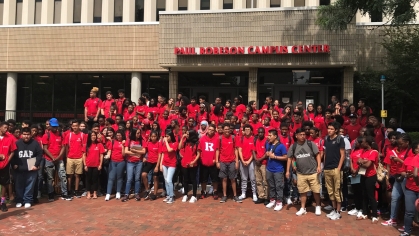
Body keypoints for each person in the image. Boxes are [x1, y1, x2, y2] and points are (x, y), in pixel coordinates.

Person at [286, 128, 322, 216]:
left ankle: (318, 206)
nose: (302, 136)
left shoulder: (310, 144)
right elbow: (290, 158)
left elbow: (318, 154)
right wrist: (287, 171)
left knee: (316, 191)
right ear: (296, 135)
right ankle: (303, 208)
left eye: (304, 135)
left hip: (313, 172)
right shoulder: (293, 146)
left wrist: (318, 166)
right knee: (302, 191)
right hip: (301, 173)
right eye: (300, 135)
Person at [381, 133, 413, 227]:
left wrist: (398, 160)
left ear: (407, 142)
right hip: (397, 177)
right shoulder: (394, 151)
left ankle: (407, 223)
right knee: (394, 198)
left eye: (401, 143)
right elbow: (387, 166)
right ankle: (393, 219)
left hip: (406, 178)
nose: (399, 145)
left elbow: (411, 165)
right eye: (398, 144)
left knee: (407, 200)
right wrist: (387, 179)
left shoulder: (410, 151)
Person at [12, 127, 41, 208]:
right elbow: (12, 154)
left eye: (28, 134)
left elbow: (39, 154)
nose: (26, 136)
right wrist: (14, 163)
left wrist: (36, 164)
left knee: (30, 186)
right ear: (21, 135)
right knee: (18, 185)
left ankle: (28, 200)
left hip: (31, 168)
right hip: (19, 169)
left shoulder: (35, 143)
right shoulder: (17, 143)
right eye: (24, 134)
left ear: (30, 135)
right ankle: (19, 200)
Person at [42, 118, 70, 201]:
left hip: (59, 159)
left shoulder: (61, 134)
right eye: (53, 126)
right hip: (49, 159)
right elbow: (45, 148)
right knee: (50, 178)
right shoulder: (46, 135)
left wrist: (58, 157)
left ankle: (64, 193)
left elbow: (63, 147)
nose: (55, 128)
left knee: (63, 176)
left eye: (56, 126)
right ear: (49, 126)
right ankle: (50, 194)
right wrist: (52, 157)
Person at [323, 121, 345, 220]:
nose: (329, 130)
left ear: (336, 130)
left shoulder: (340, 139)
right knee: (330, 191)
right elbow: (325, 153)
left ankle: (338, 212)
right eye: (328, 128)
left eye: (332, 129)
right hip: (327, 168)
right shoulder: (326, 139)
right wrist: (324, 165)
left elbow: (343, 155)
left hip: (336, 168)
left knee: (337, 191)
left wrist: (339, 168)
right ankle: (334, 209)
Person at [355, 136, 379, 223]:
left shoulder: (373, 152)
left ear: (367, 143)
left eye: (363, 142)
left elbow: (368, 165)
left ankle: (374, 215)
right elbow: (358, 160)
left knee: (370, 196)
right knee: (364, 195)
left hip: (371, 176)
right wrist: (362, 161)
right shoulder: (364, 151)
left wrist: (362, 162)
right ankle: (364, 213)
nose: (361, 143)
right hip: (363, 175)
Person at [216, 123, 241, 203]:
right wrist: (217, 161)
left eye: (228, 129)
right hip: (223, 161)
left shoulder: (233, 138)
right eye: (225, 129)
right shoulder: (219, 138)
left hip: (232, 161)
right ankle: (224, 195)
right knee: (224, 179)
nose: (227, 131)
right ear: (222, 130)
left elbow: (236, 150)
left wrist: (237, 161)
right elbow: (217, 150)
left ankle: (235, 195)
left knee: (233, 179)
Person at [265, 129, 287, 211]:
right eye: (268, 135)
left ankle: (279, 202)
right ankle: (272, 200)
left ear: (275, 136)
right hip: (269, 169)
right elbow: (268, 153)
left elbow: (286, 157)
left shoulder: (281, 146)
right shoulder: (268, 144)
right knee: (271, 186)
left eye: (270, 135)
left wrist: (275, 157)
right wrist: (267, 154)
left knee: (279, 186)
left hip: (278, 170)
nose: (268, 137)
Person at [401, 142, 419, 236]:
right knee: (409, 211)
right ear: (415, 149)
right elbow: (402, 172)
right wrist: (407, 175)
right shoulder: (408, 159)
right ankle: (407, 231)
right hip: (410, 189)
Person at [63, 120, 85, 198]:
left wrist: (83, 157)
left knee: (77, 175)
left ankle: (76, 190)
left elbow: (84, 147)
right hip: (70, 157)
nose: (75, 127)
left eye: (76, 125)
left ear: (78, 126)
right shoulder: (69, 135)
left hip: (79, 157)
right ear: (71, 127)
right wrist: (66, 157)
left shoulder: (82, 135)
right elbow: (66, 147)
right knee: (69, 175)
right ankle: (69, 190)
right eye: (73, 126)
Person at [122, 129, 145, 202]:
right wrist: (136, 154)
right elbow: (126, 151)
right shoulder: (129, 140)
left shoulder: (142, 141)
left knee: (137, 178)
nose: (139, 134)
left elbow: (143, 151)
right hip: (130, 162)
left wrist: (135, 151)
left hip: (139, 162)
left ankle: (137, 193)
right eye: (137, 133)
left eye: (139, 133)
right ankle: (126, 194)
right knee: (129, 179)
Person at [198, 124, 219, 200]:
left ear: (214, 131)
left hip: (213, 162)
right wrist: (201, 159)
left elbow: (217, 150)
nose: (211, 131)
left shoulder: (217, 139)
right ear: (207, 130)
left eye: (212, 130)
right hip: (204, 162)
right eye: (209, 129)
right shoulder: (202, 139)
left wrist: (215, 160)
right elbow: (199, 150)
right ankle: (203, 191)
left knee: (215, 179)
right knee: (203, 179)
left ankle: (215, 191)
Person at [179, 130, 200, 203]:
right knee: (185, 179)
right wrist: (182, 138)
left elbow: (198, 154)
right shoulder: (185, 142)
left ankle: (194, 195)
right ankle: (185, 195)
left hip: (192, 164)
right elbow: (179, 147)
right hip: (184, 163)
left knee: (193, 179)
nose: (186, 135)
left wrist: (193, 162)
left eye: (188, 134)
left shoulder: (196, 143)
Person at [237, 124, 257, 202]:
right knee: (243, 178)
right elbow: (239, 150)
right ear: (244, 131)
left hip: (251, 161)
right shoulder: (241, 139)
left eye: (248, 129)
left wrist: (249, 161)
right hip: (243, 161)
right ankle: (243, 193)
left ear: (251, 131)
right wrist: (242, 160)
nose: (247, 131)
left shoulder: (254, 139)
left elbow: (254, 152)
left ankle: (254, 194)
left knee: (253, 178)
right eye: (246, 129)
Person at [105, 130, 126, 201]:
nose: (118, 136)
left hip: (121, 161)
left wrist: (123, 145)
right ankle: (108, 193)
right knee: (111, 178)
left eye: (120, 135)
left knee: (119, 178)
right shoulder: (113, 141)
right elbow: (110, 150)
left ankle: (118, 192)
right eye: (117, 135)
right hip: (113, 161)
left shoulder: (124, 142)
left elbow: (124, 154)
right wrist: (108, 155)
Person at [82, 131, 104, 199]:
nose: (93, 136)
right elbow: (84, 155)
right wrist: (85, 165)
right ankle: (88, 193)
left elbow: (101, 155)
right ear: (89, 137)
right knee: (88, 179)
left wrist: (100, 164)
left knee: (95, 179)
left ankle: (95, 193)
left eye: (94, 135)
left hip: (96, 165)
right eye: (92, 135)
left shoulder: (99, 144)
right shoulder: (86, 145)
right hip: (88, 165)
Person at [160, 130, 178, 204]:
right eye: (165, 136)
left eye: (168, 136)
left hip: (172, 164)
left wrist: (166, 142)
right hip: (165, 164)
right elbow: (163, 154)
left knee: (169, 180)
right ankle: (168, 195)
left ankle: (171, 196)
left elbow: (170, 150)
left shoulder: (175, 143)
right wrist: (161, 164)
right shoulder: (164, 144)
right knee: (166, 180)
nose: (166, 138)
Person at [142, 131, 161, 200]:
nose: (153, 138)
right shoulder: (148, 143)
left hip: (156, 162)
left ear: (157, 137)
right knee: (143, 174)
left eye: (154, 136)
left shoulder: (159, 144)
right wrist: (144, 157)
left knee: (155, 177)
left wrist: (157, 166)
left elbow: (160, 155)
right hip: (149, 161)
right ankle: (147, 190)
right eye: (152, 136)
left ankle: (155, 194)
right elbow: (145, 151)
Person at [253, 128, 269, 205]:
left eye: (262, 132)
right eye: (259, 132)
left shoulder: (267, 141)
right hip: (257, 163)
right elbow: (253, 150)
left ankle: (266, 197)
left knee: (265, 181)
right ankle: (261, 196)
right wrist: (256, 159)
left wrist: (260, 159)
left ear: (264, 133)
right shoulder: (256, 140)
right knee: (258, 181)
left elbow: (267, 153)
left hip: (264, 163)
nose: (260, 134)